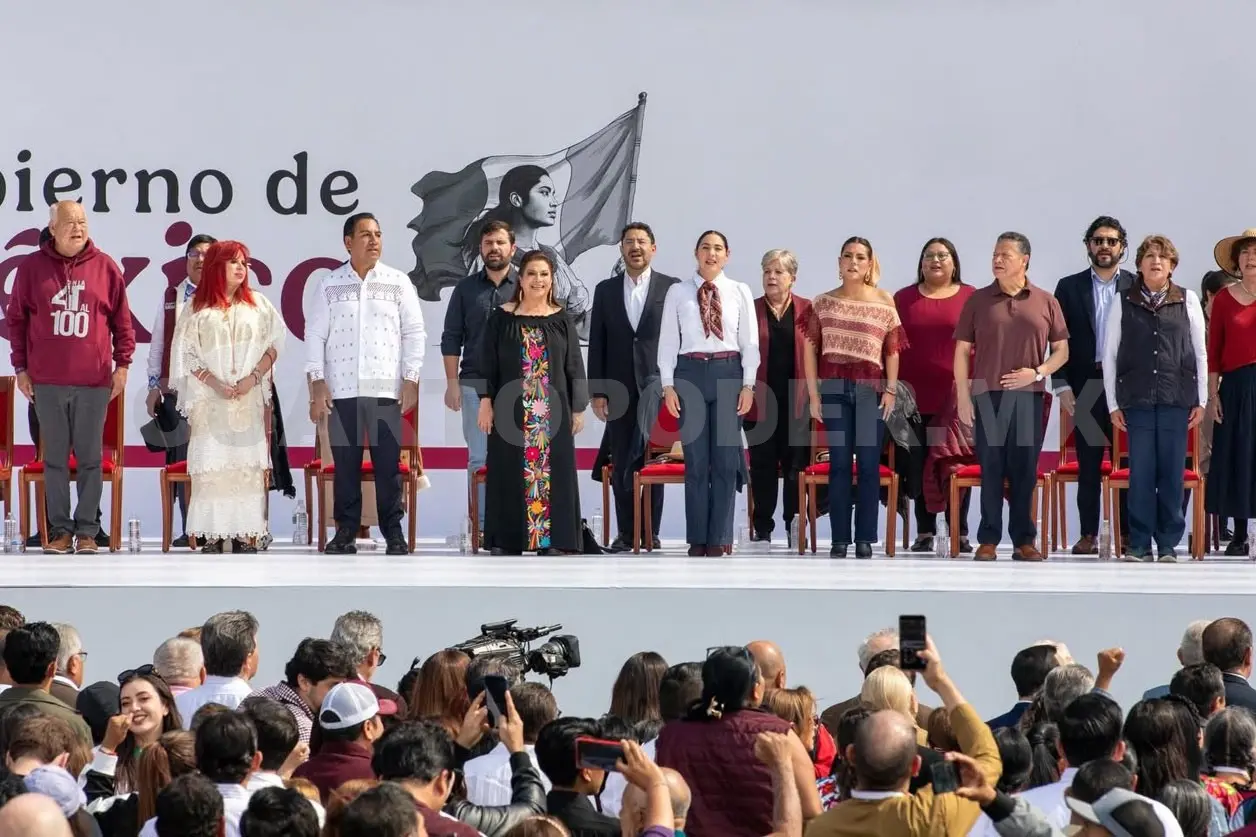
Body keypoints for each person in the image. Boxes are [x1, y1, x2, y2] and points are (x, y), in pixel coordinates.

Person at [4, 200, 134, 554]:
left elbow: (123, 325)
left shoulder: (106, 268)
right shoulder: (32, 268)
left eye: (82, 221)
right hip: (46, 381)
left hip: (94, 382)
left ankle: (88, 531)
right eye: (70, 222)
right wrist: (21, 368)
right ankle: (60, 531)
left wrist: (122, 367)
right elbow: (16, 322)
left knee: (91, 458)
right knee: (55, 459)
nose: (78, 228)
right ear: (53, 228)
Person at [306, 212, 425, 556]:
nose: (374, 240)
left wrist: (411, 378)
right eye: (365, 234)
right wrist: (317, 381)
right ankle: (345, 531)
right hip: (342, 390)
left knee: (388, 467)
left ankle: (393, 532)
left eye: (378, 234)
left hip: (386, 390)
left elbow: (414, 333)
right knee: (345, 466)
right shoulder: (331, 284)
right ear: (348, 242)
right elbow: (314, 334)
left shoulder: (397, 282)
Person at [953, 232, 1069, 562]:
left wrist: (1037, 372)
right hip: (986, 396)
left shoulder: (1046, 301)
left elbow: (1062, 350)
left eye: (1005, 254)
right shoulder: (977, 300)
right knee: (990, 467)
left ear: (1024, 259)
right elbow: (961, 351)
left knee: (1023, 470)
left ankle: (1024, 541)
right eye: (995, 254)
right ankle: (988, 539)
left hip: (1029, 397)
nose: (997, 259)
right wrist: (963, 395)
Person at [169, 241, 284, 554]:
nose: (240, 268)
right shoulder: (197, 307)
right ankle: (215, 536)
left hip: (246, 400)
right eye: (233, 262)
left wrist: (253, 377)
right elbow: (186, 352)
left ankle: (244, 535)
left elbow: (276, 344)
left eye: (244, 263)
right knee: (214, 468)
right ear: (216, 266)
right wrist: (214, 383)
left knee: (243, 469)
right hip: (211, 401)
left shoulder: (258, 304)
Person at [1102, 235, 1206, 562]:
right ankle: (1139, 543)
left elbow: (1200, 351)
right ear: (1140, 265)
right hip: (1138, 400)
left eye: (1162, 257)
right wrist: (1113, 404)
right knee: (1141, 474)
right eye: (1149, 255)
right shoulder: (1123, 301)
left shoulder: (1187, 300)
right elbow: (1110, 354)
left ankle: (1167, 544)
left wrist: (1201, 399)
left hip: (1177, 399)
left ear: (1172, 266)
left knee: (1172, 474)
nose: (1155, 261)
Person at [478, 249, 589, 555]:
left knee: (554, 473)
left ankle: (552, 542)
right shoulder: (501, 317)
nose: (538, 280)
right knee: (508, 470)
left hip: (553, 412)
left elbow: (574, 365)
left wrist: (578, 407)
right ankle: (508, 539)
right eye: (532, 274)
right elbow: (486, 363)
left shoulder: (561, 319)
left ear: (551, 280)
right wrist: (485, 401)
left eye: (544, 274)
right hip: (509, 410)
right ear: (521, 279)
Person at [657, 231, 759, 557]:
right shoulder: (678, 292)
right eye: (705, 248)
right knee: (697, 462)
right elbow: (668, 342)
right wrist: (668, 385)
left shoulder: (739, 291)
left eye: (717, 248)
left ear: (727, 254)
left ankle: (719, 538)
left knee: (726, 462)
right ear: (695, 253)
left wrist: (748, 384)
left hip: (729, 372)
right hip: (690, 373)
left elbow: (749, 343)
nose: (711, 254)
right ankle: (698, 538)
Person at [804, 237, 905, 559]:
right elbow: (810, 350)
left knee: (869, 465)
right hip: (833, 389)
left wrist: (890, 389)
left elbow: (891, 350)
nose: (853, 262)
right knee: (838, 465)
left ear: (870, 263)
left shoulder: (884, 301)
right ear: (838, 262)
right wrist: (813, 394)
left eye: (860, 257)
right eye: (847, 256)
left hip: (871, 391)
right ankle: (839, 539)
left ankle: (864, 538)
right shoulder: (822, 303)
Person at [587, 223, 679, 552]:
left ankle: (650, 532)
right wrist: (596, 391)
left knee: (653, 462)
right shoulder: (605, 290)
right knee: (623, 460)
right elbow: (597, 342)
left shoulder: (672, 288)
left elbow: (679, 341)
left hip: (658, 388)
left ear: (653, 248)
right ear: (621, 249)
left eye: (642, 241)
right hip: (618, 388)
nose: (635, 247)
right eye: (629, 242)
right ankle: (627, 534)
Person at [1052, 216, 1136, 555]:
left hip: (1128, 389)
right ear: (1088, 244)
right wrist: (1060, 385)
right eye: (1098, 240)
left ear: (1122, 248)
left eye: (1111, 241)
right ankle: (1087, 534)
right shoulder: (1068, 287)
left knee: (1129, 464)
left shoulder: (1136, 285)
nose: (1105, 246)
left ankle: (1129, 536)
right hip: (1085, 387)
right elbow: (1056, 339)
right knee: (1089, 463)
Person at [894, 238, 975, 553]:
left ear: (954, 262)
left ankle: (960, 531)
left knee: (954, 464)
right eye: (929, 255)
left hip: (956, 398)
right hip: (911, 398)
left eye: (943, 255)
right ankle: (925, 530)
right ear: (921, 262)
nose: (936, 260)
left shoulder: (971, 297)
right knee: (917, 465)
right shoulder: (903, 298)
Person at [442, 219, 519, 536]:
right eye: (488, 243)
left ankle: (516, 526)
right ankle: (483, 528)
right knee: (479, 458)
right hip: (473, 383)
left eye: (500, 242)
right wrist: (451, 385)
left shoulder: (526, 286)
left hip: (517, 386)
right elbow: (451, 338)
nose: (494, 249)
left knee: (519, 457)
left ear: (512, 248)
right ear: (481, 249)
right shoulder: (466, 289)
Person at [145, 233, 216, 548]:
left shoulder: (227, 296)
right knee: (182, 459)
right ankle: (190, 527)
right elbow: (159, 341)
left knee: (213, 461)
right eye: (194, 254)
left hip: (217, 396)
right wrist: (152, 386)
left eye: (206, 254)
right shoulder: (172, 295)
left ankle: (215, 527)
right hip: (178, 394)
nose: (200, 259)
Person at [744, 249, 816, 546]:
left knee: (795, 466)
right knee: (761, 465)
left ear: (792, 279)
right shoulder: (750, 308)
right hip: (760, 400)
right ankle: (762, 527)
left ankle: (794, 524)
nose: (771, 277)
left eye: (778, 272)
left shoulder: (809, 309)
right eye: (766, 272)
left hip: (797, 402)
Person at [1205, 227, 1256, 553]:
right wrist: (1213, 395)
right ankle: (1238, 534)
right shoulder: (1224, 299)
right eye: (1246, 253)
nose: (1252, 258)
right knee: (1238, 456)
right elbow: (1214, 351)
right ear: (1237, 261)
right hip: (1236, 387)